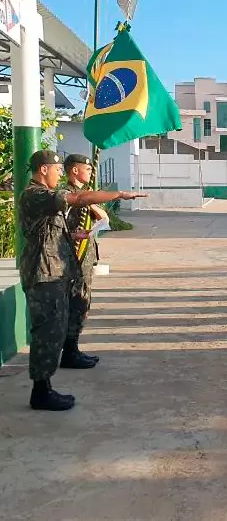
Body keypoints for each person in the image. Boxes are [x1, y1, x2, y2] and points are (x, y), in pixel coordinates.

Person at [19, 150, 145, 410]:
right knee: (47, 332)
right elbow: (77, 198)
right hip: (44, 273)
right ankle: (41, 392)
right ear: (44, 169)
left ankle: (45, 386)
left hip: (55, 272)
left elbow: (49, 231)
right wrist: (118, 194)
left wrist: (72, 237)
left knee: (55, 329)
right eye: (55, 170)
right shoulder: (36, 194)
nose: (58, 175)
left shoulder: (44, 198)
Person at [58, 154, 107, 370]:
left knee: (82, 305)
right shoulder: (67, 196)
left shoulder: (82, 196)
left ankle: (74, 349)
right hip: (73, 260)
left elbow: (103, 216)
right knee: (75, 305)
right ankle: (69, 353)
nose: (89, 172)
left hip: (84, 262)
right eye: (85, 169)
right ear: (74, 171)